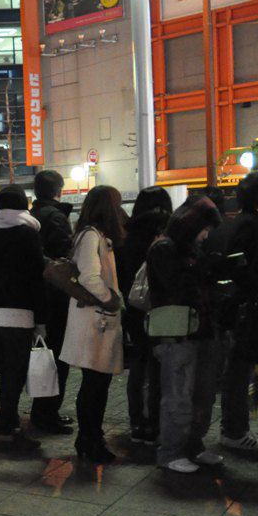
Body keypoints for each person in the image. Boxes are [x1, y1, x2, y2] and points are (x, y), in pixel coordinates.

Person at [204, 171, 258, 453]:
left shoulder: (234, 224)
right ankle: (235, 431)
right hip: (246, 310)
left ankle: (234, 428)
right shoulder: (257, 228)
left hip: (231, 308)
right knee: (239, 372)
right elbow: (257, 273)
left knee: (237, 371)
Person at [147, 197, 224, 474]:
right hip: (176, 333)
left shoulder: (190, 248)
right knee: (178, 395)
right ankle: (170, 451)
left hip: (200, 329)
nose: (206, 235)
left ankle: (192, 445)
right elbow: (176, 287)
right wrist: (203, 270)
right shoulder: (165, 247)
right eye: (204, 228)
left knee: (201, 394)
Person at [59, 186, 126, 464]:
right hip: (95, 320)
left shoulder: (92, 235)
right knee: (95, 385)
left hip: (96, 319)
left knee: (96, 383)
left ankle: (89, 438)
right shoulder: (91, 236)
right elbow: (90, 277)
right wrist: (112, 298)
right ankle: (90, 439)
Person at [0, 185, 46, 451]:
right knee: (14, 374)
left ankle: (9, 425)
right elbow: (36, 278)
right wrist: (41, 319)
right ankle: (9, 428)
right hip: (19, 314)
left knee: (4, 370)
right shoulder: (28, 234)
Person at [115, 186, 173, 444]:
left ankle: (137, 422)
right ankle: (155, 424)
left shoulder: (126, 235)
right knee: (158, 366)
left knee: (138, 364)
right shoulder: (164, 233)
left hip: (133, 307)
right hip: (160, 307)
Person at [29, 169, 76, 435]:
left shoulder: (31, 216)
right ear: (59, 189)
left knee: (44, 356)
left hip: (35, 295)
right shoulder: (55, 217)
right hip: (55, 296)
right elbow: (64, 257)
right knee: (58, 357)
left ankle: (42, 411)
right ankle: (47, 413)